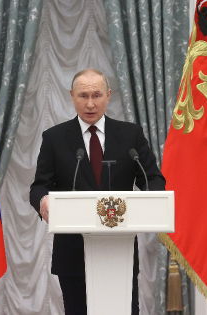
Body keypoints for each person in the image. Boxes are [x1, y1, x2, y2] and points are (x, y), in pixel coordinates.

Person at [30, 68, 165, 315]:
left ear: (108, 95)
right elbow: (39, 185)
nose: (90, 104)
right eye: (83, 96)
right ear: (71, 96)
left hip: (119, 253)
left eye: (96, 95)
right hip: (72, 253)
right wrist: (43, 200)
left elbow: (152, 178)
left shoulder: (130, 135)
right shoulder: (55, 138)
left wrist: (150, 200)